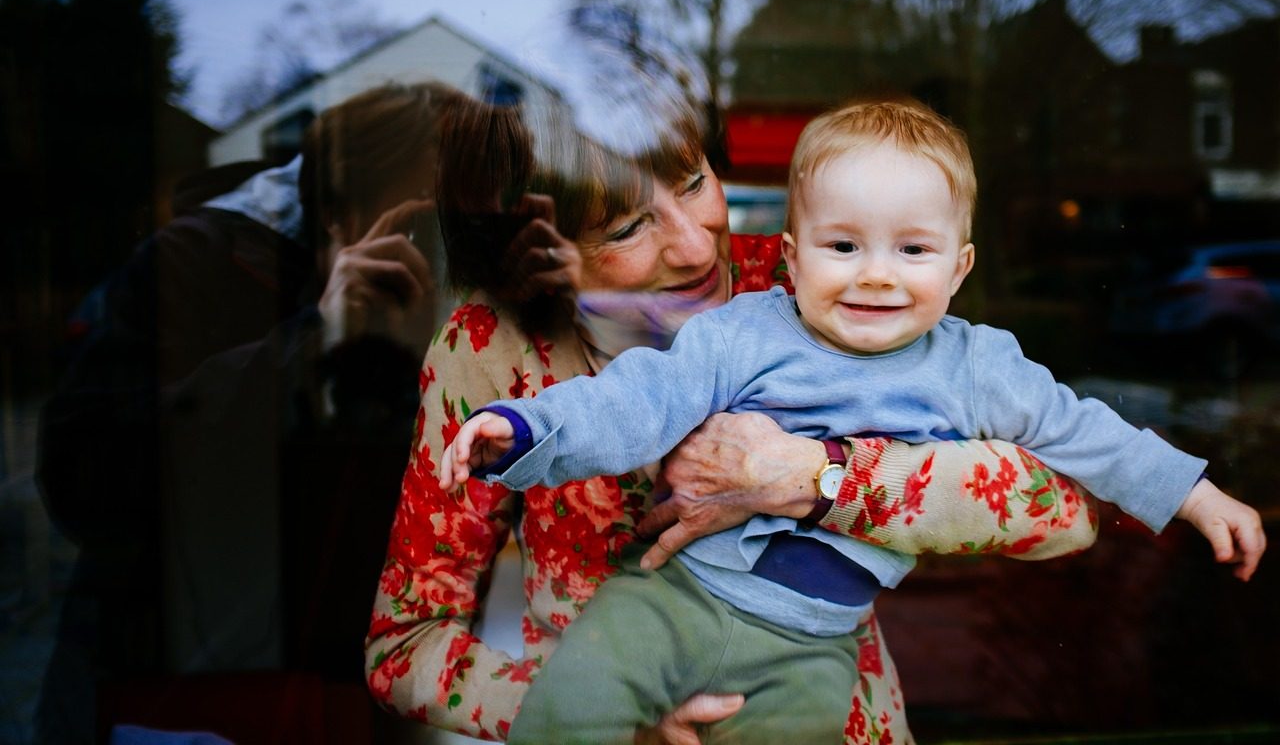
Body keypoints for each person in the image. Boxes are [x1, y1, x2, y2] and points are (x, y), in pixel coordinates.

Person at [442, 98, 1267, 743]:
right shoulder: (748, 326)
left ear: (960, 267)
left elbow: (1081, 450)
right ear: (793, 257)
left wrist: (1194, 494)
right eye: (843, 249)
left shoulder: (976, 366)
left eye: (912, 251)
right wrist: (523, 431)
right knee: (577, 696)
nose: (876, 275)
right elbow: (637, 400)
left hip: (813, 645)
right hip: (674, 602)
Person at [35, 81, 483, 742]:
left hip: (350, 680)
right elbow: (81, 475)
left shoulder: (435, 306)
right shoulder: (197, 264)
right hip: (180, 692)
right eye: (427, 220)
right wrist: (310, 343)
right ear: (341, 210)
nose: (443, 251)